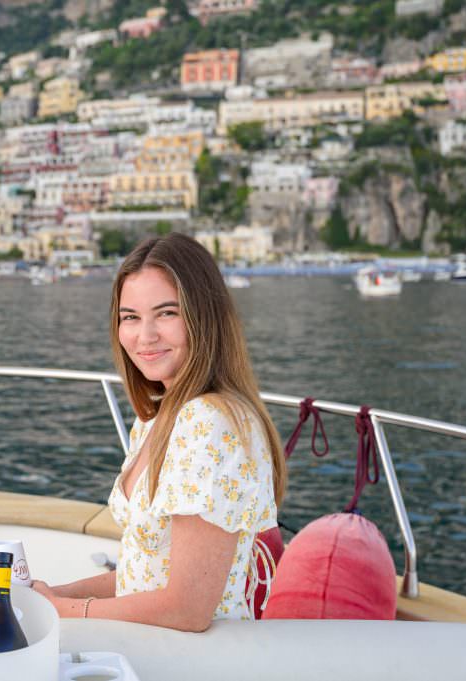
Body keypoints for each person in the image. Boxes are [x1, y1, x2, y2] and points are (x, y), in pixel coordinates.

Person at [31, 233, 287, 631]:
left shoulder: (208, 422)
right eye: (130, 317)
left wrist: (65, 613)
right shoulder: (157, 417)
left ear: (204, 317)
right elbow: (145, 575)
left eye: (166, 313)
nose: (144, 336)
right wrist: (52, 596)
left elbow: (187, 607)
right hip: (152, 644)